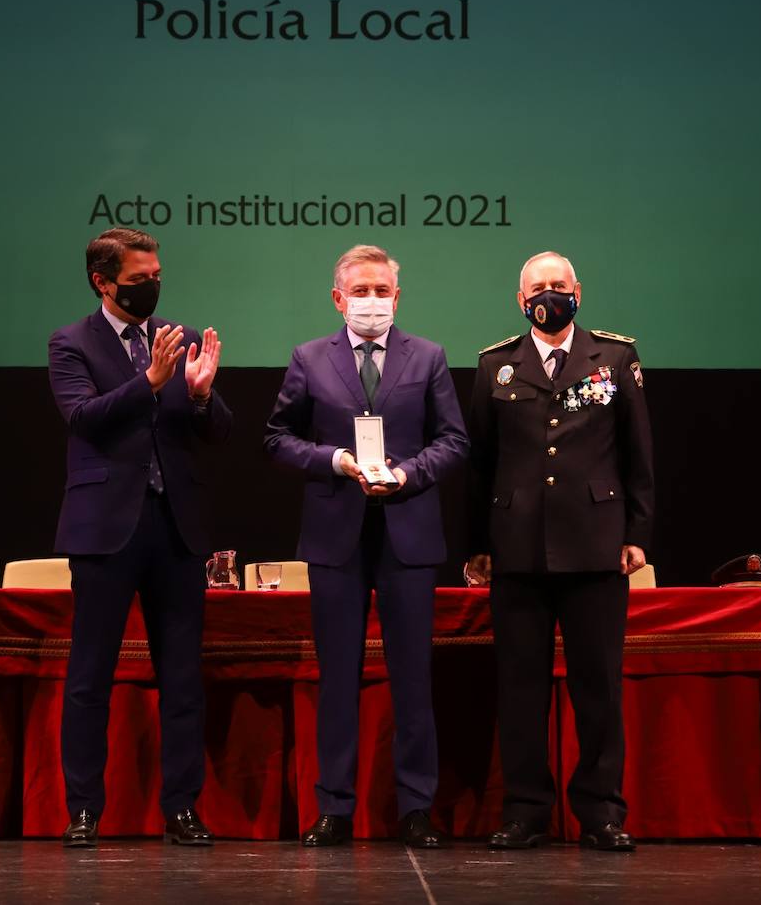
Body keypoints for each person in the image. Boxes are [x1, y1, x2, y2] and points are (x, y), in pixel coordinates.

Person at [264, 244, 468, 848]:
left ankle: (415, 808)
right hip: (336, 537)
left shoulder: (428, 357)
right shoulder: (308, 357)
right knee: (338, 679)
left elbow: (454, 440)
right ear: (338, 298)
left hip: (408, 531)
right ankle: (335, 807)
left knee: (412, 678)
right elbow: (277, 438)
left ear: (397, 297)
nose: (372, 301)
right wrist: (332, 460)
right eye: (362, 291)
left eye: (383, 292)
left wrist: (409, 473)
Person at [466, 250, 654, 852]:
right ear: (521, 302)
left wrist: (637, 535)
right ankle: (525, 810)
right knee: (520, 688)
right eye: (538, 288)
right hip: (516, 549)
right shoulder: (496, 365)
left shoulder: (615, 358)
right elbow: (479, 464)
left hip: (596, 548)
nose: (549, 294)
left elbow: (638, 455)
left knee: (597, 687)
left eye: (559, 284)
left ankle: (600, 811)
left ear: (578, 290)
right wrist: (476, 544)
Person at [49, 227, 231, 847]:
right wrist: (149, 383)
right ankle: (83, 810)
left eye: (156, 275)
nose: (152, 286)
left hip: (175, 526)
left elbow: (217, 431)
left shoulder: (175, 337)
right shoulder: (71, 343)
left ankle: (181, 808)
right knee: (90, 676)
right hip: (105, 528)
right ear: (104, 282)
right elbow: (83, 418)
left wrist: (202, 395)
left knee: (182, 678)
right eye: (138, 279)